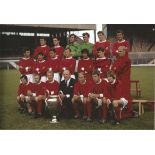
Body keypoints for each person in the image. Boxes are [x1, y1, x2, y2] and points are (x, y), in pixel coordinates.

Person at [111, 47, 132, 116]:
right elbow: (112, 69)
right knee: (117, 94)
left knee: (125, 95)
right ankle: (117, 109)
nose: (118, 52)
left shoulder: (127, 60)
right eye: (118, 51)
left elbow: (119, 69)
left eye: (120, 51)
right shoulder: (118, 59)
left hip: (124, 81)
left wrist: (115, 69)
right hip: (118, 80)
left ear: (124, 51)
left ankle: (127, 110)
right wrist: (115, 69)